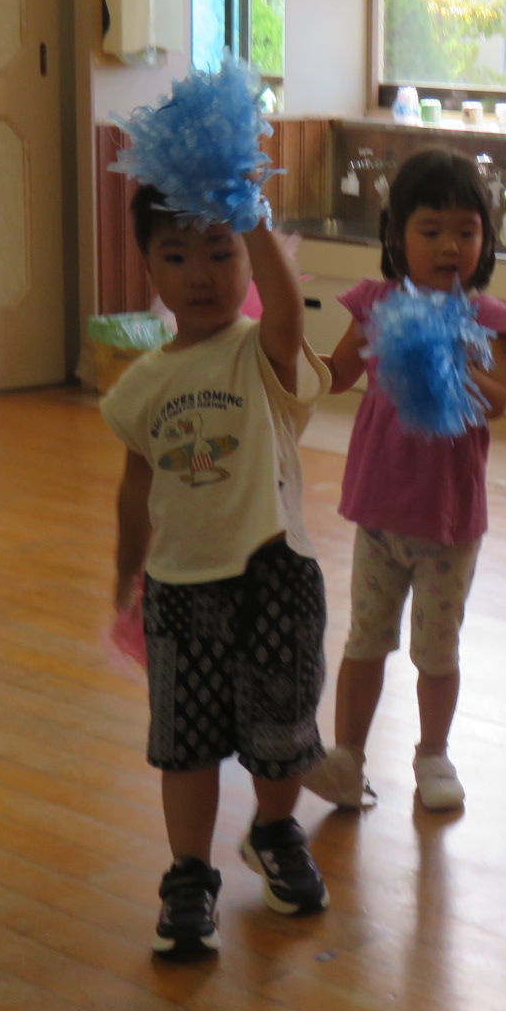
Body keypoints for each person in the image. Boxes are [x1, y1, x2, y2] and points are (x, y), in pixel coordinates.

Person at [104, 189, 333, 961]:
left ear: (248, 259)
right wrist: (126, 575)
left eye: (219, 251)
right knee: (186, 743)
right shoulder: (140, 385)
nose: (199, 274)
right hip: (179, 586)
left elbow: (290, 315)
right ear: (149, 269)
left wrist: (251, 212)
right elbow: (135, 486)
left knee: (281, 731)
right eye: (176, 255)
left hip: (277, 575)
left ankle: (274, 831)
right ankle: (189, 874)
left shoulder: (260, 351)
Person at [305, 151, 506, 814]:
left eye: (466, 231)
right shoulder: (375, 303)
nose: (450, 246)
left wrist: (449, 359)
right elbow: (336, 375)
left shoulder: (485, 318)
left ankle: (433, 754)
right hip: (378, 510)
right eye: (431, 230)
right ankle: (348, 758)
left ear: (485, 240)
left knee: (436, 650)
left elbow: (497, 400)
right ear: (396, 236)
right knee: (365, 640)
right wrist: (284, 357)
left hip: (448, 521)